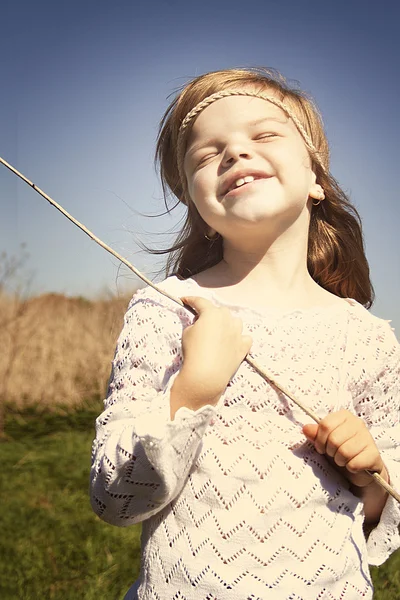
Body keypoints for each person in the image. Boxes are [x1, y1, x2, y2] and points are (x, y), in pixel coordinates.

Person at [90, 68, 400, 599]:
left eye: (263, 135)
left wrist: (367, 474)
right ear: (198, 205)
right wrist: (196, 387)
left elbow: (383, 507)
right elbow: (114, 496)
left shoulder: (368, 338)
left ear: (315, 181)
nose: (234, 153)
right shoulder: (166, 309)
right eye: (208, 153)